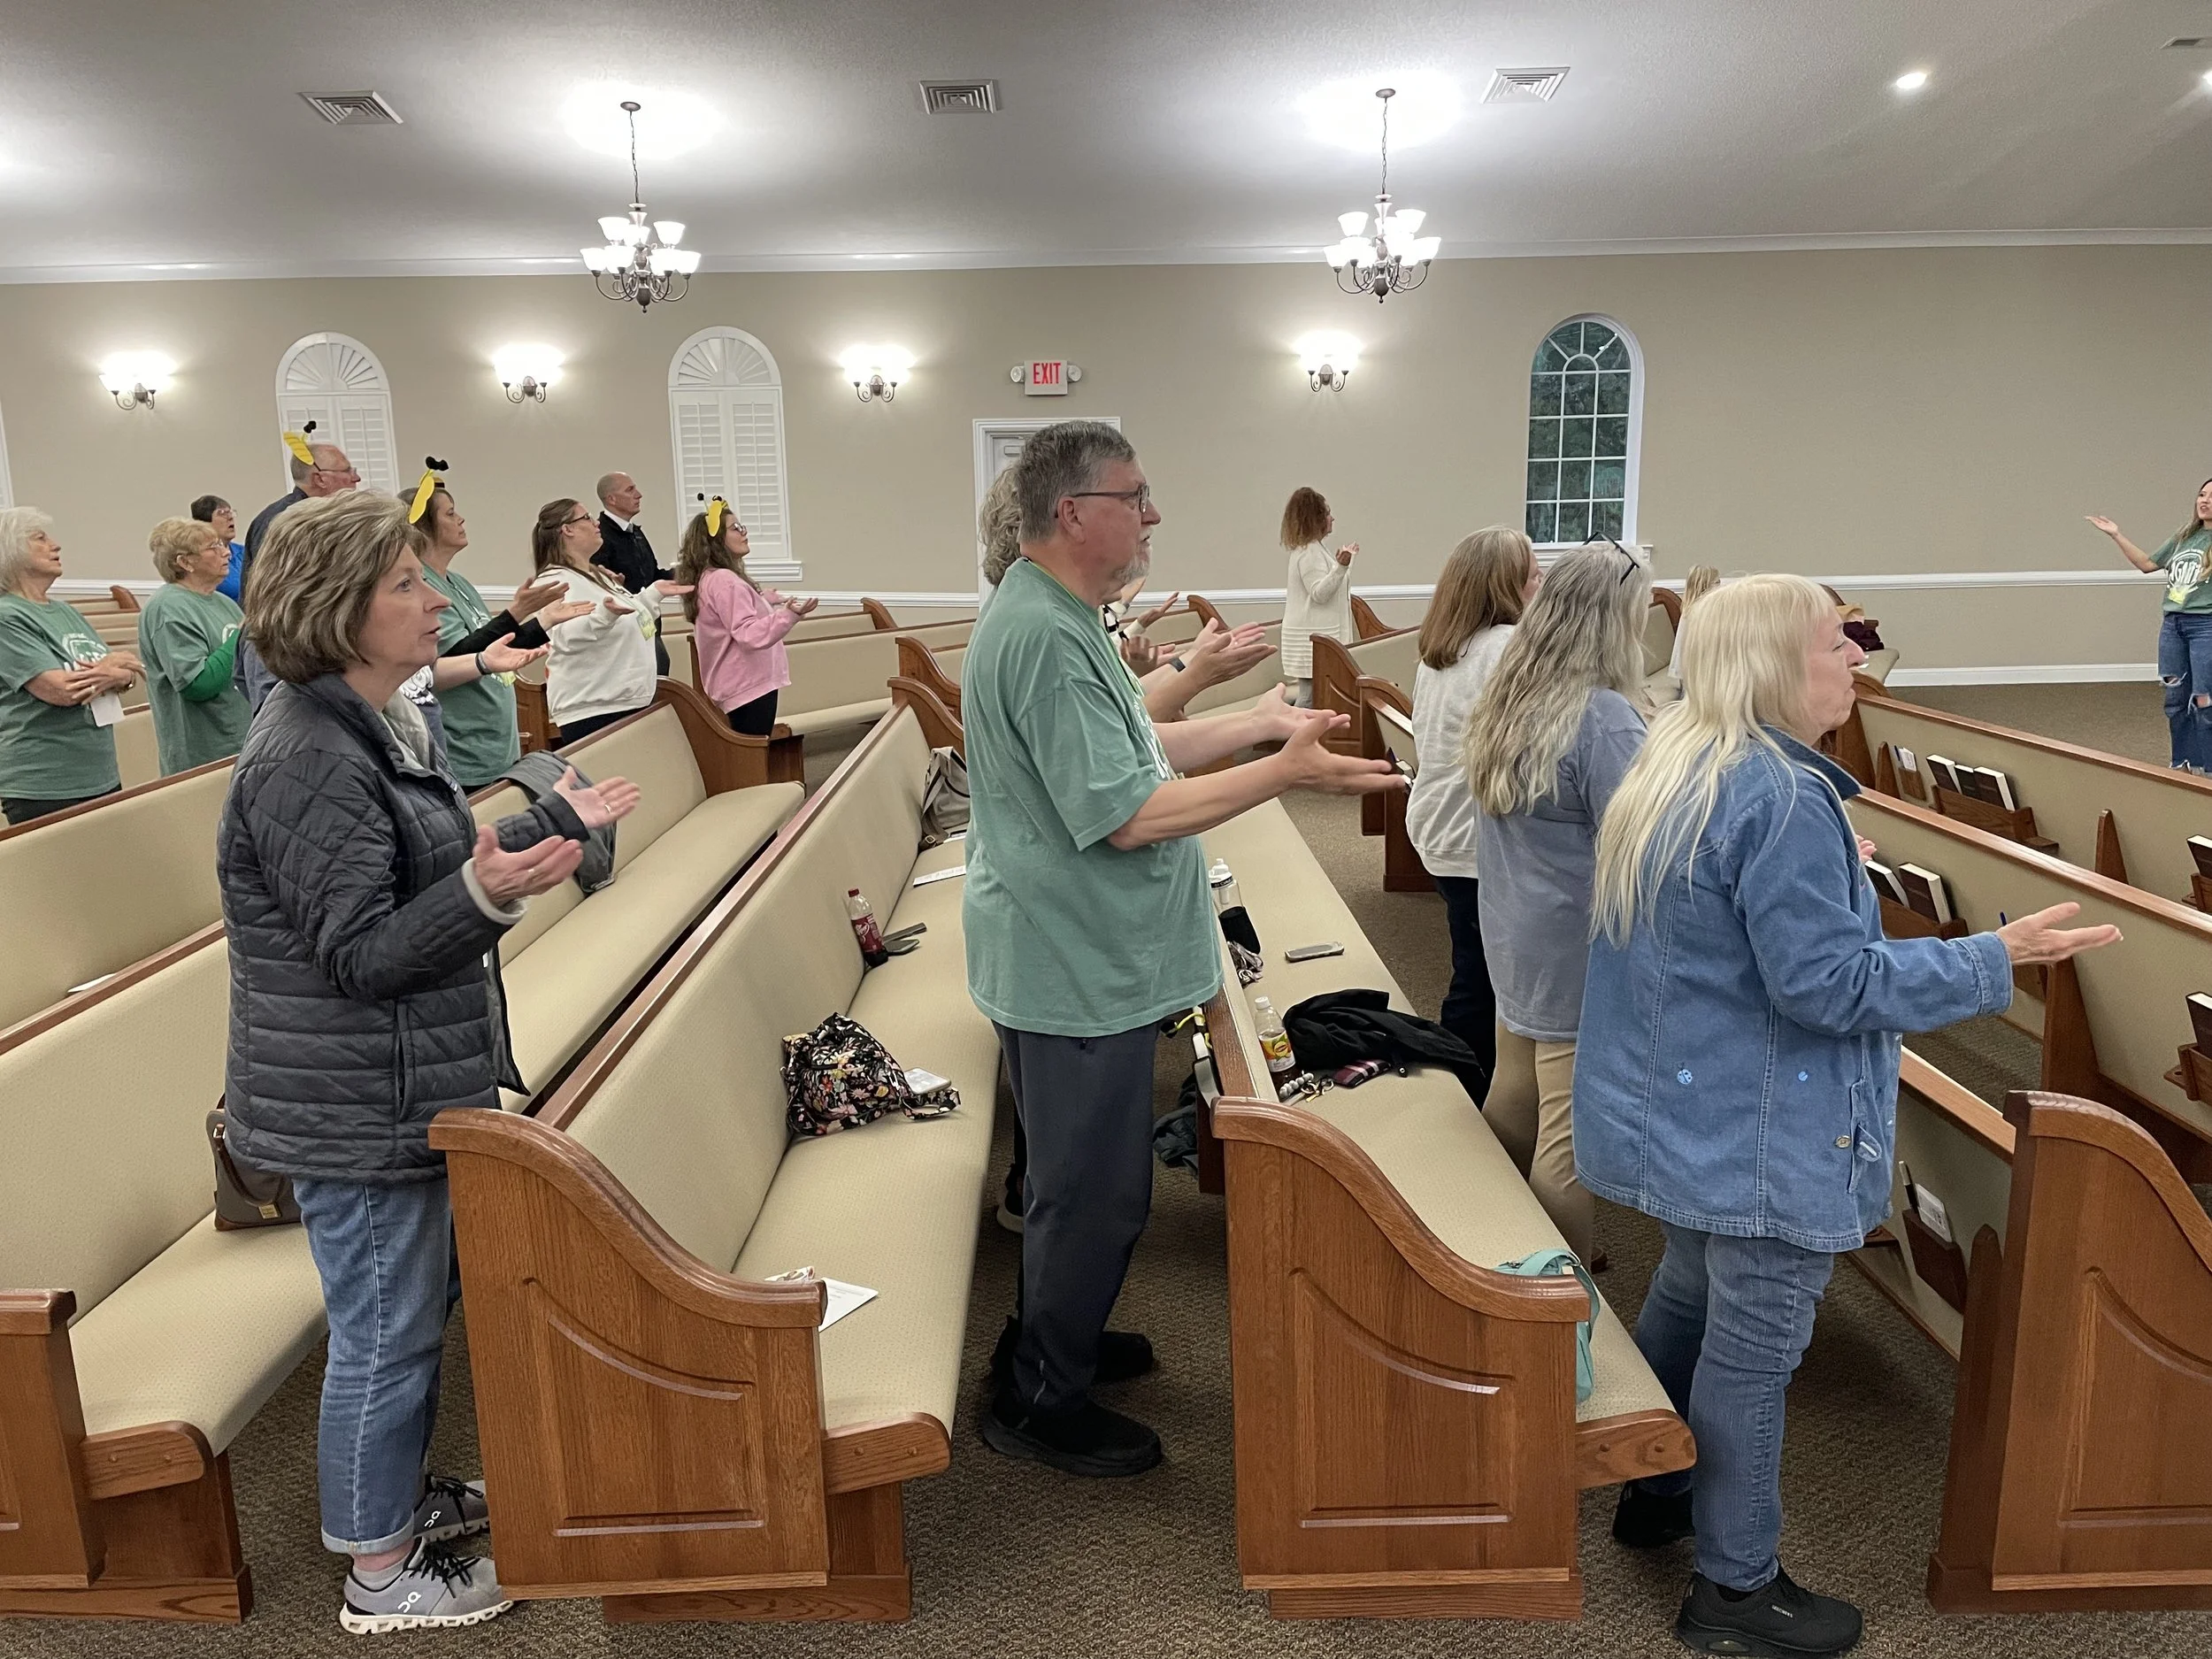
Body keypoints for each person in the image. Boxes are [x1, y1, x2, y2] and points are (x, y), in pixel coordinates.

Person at [1578, 572, 2118, 1657]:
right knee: (1755, 1347)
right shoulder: (1780, 796)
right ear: (1777, 663)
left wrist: (1832, 888)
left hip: (1677, 1112)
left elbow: (1724, 935)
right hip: (1756, 1130)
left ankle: (1655, 1492)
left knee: (1688, 1283)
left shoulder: (1680, 759)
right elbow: (1827, 990)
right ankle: (1733, 1589)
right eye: (1839, 641)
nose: (1858, 659)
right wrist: (1992, 957)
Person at [219, 489, 641, 1632]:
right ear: (340, 605)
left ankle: (393, 1503)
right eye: (405, 583)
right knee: (382, 1332)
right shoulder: (306, 750)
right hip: (353, 1098)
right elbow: (359, 951)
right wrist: (480, 890)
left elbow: (424, 865)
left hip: (400, 1079)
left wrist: (543, 823)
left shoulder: (373, 717)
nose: (432, 600)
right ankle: (378, 1573)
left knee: (408, 1313)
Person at [964, 421, 1402, 1477]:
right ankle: (1041, 1400)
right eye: (1136, 495)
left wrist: (1255, 730)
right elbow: (1129, 812)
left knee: (1088, 1183)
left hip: (1081, 951)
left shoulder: (1061, 617)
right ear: (1073, 514)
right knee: (1093, 1189)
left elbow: (1144, 744)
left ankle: (1050, 1339)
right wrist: (1283, 774)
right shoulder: (1041, 634)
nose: (1153, 513)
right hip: (1071, 962)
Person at [1463, 541, 1652, 1263]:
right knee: (1569, 1140)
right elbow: (1644, 839)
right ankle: (1554, 1302)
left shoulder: (1512, 692)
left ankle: (1486, 1236)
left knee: (1514, 1094)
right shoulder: (1602, 715)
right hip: (1575, 947)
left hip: (1514, 928)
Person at [1405, 526, 1541, 1079]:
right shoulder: (1506, 648)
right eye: (1534, 575)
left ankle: (1463, 1083)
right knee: (1481, 980)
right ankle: (1462, 1092)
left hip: (1440, 826)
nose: (1542, 584)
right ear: (1506, 585)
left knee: (1473, 965)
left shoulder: (1443, 651)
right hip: (1474, 835)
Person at [406, 464, 590, 788]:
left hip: (495, 745)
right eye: (450, 514)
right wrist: (515, 614)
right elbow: (456, 658)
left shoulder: (458, 582)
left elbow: (494, 648)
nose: (460, 519)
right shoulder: (423, 587)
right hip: (464, 748)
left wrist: (543, 621)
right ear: (425, 526)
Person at [0, 507, 140, 825]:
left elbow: (130, 672)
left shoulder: (65, 612)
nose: (56, 545)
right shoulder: (7, 616)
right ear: (11, 551)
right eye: (41, 538)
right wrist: (112, 669)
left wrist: (118, 672)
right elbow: (60, 690)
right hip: (44, 780)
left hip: (99, 770)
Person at [533, 497, 688, 745]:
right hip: (595, 708)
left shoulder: (596, 575)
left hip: (627, 701)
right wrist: (606, 616)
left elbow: (627, 616)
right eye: (586, 518)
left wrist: (653, 594)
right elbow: (566, 637)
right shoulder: (553, 582)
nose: (596, 523)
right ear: (567, 529)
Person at [2088, 482, 2212, 770]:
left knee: (2205, 700)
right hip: (2173, 626)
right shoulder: (2185, 537)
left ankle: (2208, 768)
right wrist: (2116, 535)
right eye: (2202, 494)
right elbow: (2147, 564)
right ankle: (2182, 763)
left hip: (2206, 626)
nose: (2204, 501)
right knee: (2175, 699)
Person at [675, 495, 817, 734]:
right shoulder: (726, 581)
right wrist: (788, 615)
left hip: (739, 684)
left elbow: (729, 617)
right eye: (735, 528)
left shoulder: (712, 577)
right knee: (753, 758)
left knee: (751, 756)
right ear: (716, 540)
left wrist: (762, 600)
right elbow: (748, 634)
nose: (744, 532)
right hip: (747, 686)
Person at [239, 426, 360, 707]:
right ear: (321, 478)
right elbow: (282, 600)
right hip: (283, 649)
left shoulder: (314, 517)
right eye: (347, 471)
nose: (356, 478)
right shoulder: (289, 521)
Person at [140, 516, 251, 774]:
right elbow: (197, 684)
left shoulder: (222, 602)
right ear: (185, 562)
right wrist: (242, 634)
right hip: (206, 754)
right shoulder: (169, 607)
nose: (226, 553)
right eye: (213, 547)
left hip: (241, 742)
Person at [1278, 486, 1358, 706]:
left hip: (1312, 639)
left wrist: (1343, 564)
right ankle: (1293, 738)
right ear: (1316, 518)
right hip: (1309, 641)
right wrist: (1341, 566)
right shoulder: (1309, 553)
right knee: (1310, 697)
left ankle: (1300, 737)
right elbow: (1320, 594)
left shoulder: (1315, 550)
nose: (1332, 518)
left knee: (1315, 696)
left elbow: (1332, 586)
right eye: (1327, 513)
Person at [593, 472, 673, 674]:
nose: (639, 495)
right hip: (624, 631)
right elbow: (601, 587)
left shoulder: (635, 532)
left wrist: (689, 569)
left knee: (661, 670)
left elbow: (652, 577)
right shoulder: (599, 536)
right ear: (611, 499)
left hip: (649, 624)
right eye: (630, 490)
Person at [188, 494, 247, 602]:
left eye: (230, 512)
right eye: (222, 513)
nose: (230, 517)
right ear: (204, 523)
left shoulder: (243, 552)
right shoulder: (200, 558)